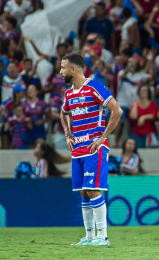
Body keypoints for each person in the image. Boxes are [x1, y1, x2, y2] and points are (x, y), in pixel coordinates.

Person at [59, 52, 122, 247]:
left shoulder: (95, 88)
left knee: (93, 190)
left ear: (74, 69)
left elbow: (117, 111)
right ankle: (90, 237)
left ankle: (103, 237)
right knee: (83, 192)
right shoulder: (69, 93)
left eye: (63, 68)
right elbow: (64, 112)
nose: (60, 72)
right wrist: (68, 135)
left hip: (95, 148)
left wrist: (103, 137)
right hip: (78, 148)